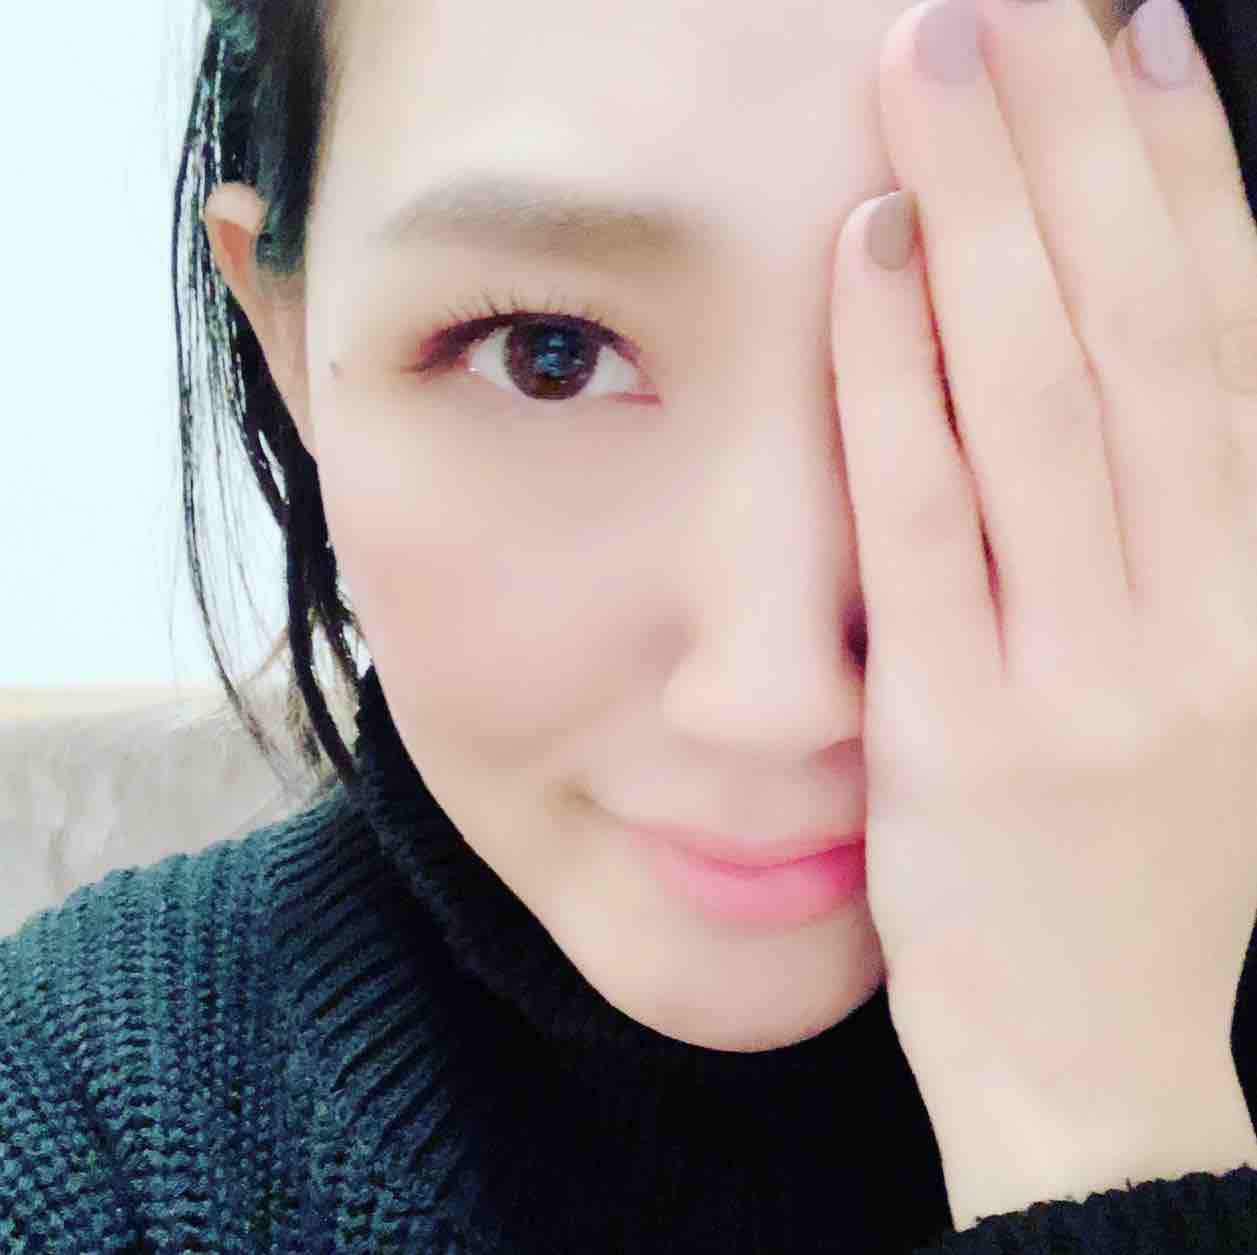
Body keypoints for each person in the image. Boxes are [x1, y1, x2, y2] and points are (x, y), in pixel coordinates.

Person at [3, 0, 1257, 1248]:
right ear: (286, 339)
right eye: (548, 355)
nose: (774, 696)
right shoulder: (88, 1135)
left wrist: (1108, 1120)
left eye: (990, 339)